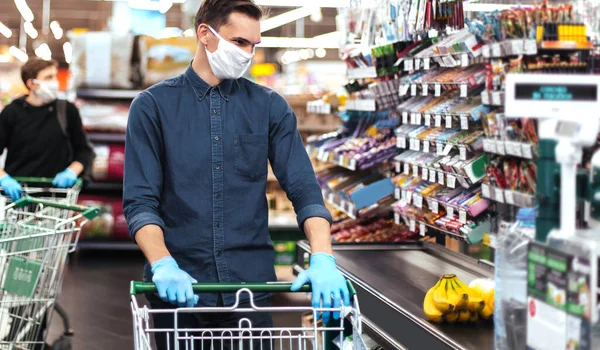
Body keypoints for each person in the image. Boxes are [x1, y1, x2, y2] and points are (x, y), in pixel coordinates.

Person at [123, 0, 349, 348]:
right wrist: (163, 263)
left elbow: (304, 187)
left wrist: (323, 256)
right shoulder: (153, 107)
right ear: (205, 35)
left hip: (250, 289)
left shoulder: (270, 107)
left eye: (254, 45)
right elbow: (140, 202)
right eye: (240, 42)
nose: (248, 54)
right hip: (180, 289)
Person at [0, 58, 94, 201]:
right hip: (18, 199)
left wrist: (71, 172)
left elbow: (84, 151)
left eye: (55, 76)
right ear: (31, 84)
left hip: (57, 200)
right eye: (48, 78)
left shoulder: (66, 110)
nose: (55, 82)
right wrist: (4, 179)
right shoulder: (11, 113)